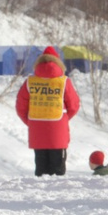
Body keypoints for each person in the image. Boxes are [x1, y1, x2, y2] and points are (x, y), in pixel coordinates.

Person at [15, 46, 80, 176]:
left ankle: (39, 194)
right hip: (58, 130)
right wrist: (64, 119)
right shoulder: (63, 82)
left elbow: (20, 107)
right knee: (58, 169)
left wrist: (31, 122)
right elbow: (73, 105)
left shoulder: (30, 82)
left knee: (41, 169)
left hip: (37, 130)